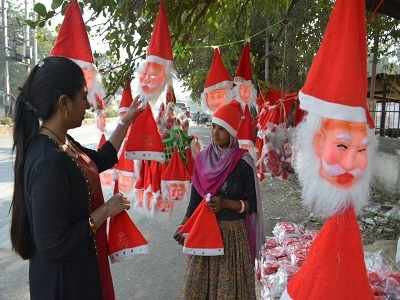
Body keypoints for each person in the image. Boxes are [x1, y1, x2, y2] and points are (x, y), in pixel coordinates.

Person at [10, 56, 143, 300]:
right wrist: (105, 211)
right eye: (83, 97)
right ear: (64, 103)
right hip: (62, 285)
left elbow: (101, 159)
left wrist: (126, 121)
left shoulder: (63, 142)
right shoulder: (48, 160)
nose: (88, 105)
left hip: (79, 271)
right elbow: (53, 245)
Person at [174, 101, 264, 300]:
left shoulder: (243, 163)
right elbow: (195, 199)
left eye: (222, 129)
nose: (215, 133)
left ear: (232, 133)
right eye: (214, 126)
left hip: (232, 237)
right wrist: (184, 224)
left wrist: (226, 204)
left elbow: (252, 205)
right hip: (204, 233)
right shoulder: (202, 160)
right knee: (199, 288)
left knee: (229, 291)